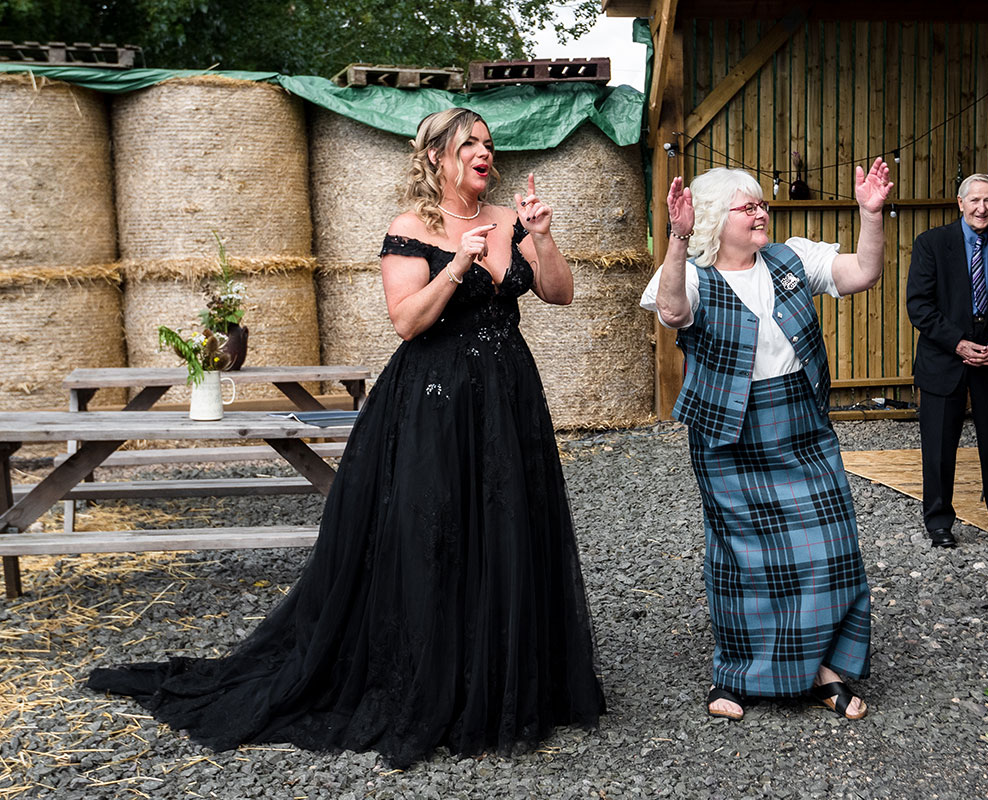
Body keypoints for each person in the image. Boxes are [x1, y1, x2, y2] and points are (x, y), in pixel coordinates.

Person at [88, 108, 606, 767]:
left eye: (487, 143)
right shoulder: (409, 228)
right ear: (436, 161)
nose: (483, 152)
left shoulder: (510, 219)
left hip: (508, 400)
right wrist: (456, 267)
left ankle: (506, 677)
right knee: (437, 531)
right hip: (434, 405)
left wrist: (543, 238)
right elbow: (408, 324)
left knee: (508, 525)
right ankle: (434, 681)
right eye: (468, 144)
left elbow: (559, 294)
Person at [640, 161, 893, 722]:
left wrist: (870, 216)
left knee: (828, 549)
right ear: (713, 219)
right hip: (728, 431)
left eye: (761, 203)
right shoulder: (695, 274)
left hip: (800, 424)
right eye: (747, 206)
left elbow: (864, 273)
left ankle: (825, 668)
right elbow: (673, 312)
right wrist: (679, 240)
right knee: (742, 559)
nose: (760, 212)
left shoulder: (793, 258)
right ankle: (738, 675)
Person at [905, 172, 988, 549]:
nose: (982, 208)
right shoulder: (932, 243)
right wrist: (958, 343)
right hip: (944, 360)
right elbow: (919, 304)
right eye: (975, 201)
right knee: (939, 446)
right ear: (960, 203)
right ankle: (939, 521)